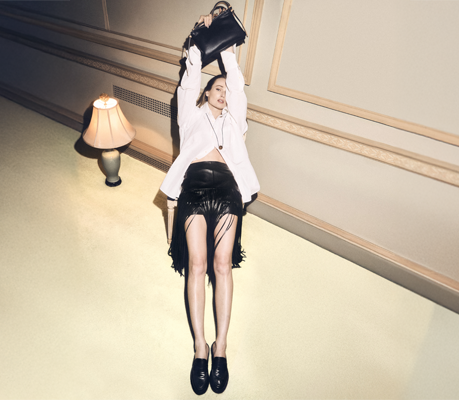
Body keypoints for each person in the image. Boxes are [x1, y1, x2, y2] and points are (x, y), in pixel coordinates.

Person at [159, 13, 259, 396]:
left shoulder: (236, 121)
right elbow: (189, 77)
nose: (222, 92)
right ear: (205, 94)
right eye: (215, 88)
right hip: (195, 186)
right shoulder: (191, 116)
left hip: (229, 188)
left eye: (225, 90)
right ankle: (200, 347)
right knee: (198, 265)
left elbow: (236, 80)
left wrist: (226, 48)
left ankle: (221, 347)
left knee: (222, 264)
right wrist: (199, 38)